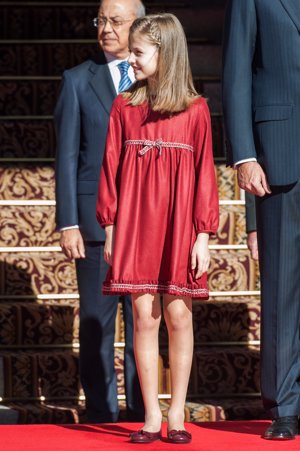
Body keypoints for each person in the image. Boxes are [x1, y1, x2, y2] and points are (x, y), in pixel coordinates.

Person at [96, 13, 219, 443]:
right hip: (135, 226)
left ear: (165, 53)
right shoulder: (124, 108)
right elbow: (109, 170)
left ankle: (178, 413)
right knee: (143, 318)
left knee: (178, 315)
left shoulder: (196, 110)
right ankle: (151, 415)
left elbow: (206, 174)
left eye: (138, 52)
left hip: (180, 227)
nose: (130, 59)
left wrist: (203, 235)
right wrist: (110, 227)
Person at [54, 0, 145, 423]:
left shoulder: (158, 78)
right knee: (96, 324)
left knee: (145, 319)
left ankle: (143, 412)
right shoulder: (77, 80)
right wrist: (68, 221)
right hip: (93, 223)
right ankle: (101, 413)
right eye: (101, 20)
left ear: (139, 25)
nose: (106, 28)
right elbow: (67, 156)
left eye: (116, 21)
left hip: (148, 220)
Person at [223, 0, 300, 440]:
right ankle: (285, 405)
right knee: (281, 289)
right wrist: (245, 156)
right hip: (279, 155)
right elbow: (236, 73)